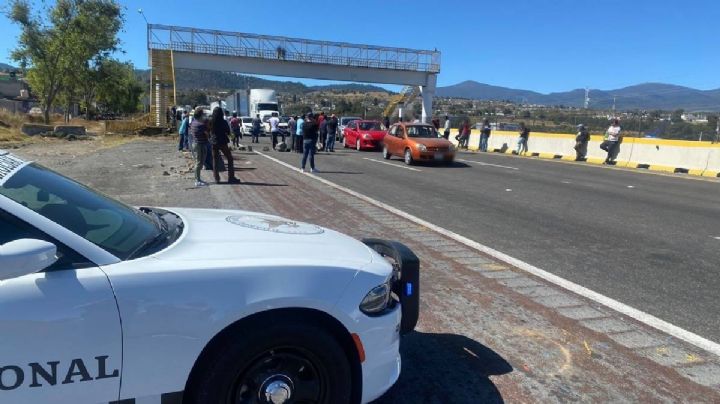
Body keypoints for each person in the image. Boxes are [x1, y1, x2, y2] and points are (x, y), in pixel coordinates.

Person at [208, 107, 240, 184]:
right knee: (230, 158)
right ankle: (231, 178)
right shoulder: (223, 122)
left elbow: (209, 131)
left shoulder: (211, 121)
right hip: (222, 142)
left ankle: (217, 178)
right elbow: (228, 132)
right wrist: (232, 138)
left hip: (214, 142)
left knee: (215, 160)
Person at [189, 108, 210, 187]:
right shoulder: (201, 125)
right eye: (203, 114)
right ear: (201, 115)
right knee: (199, 163)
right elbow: (207, 134)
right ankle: (197, 180)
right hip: (200, 145)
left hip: (196, 143)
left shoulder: (193, 123)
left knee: (199, 162)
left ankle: (198, 179)